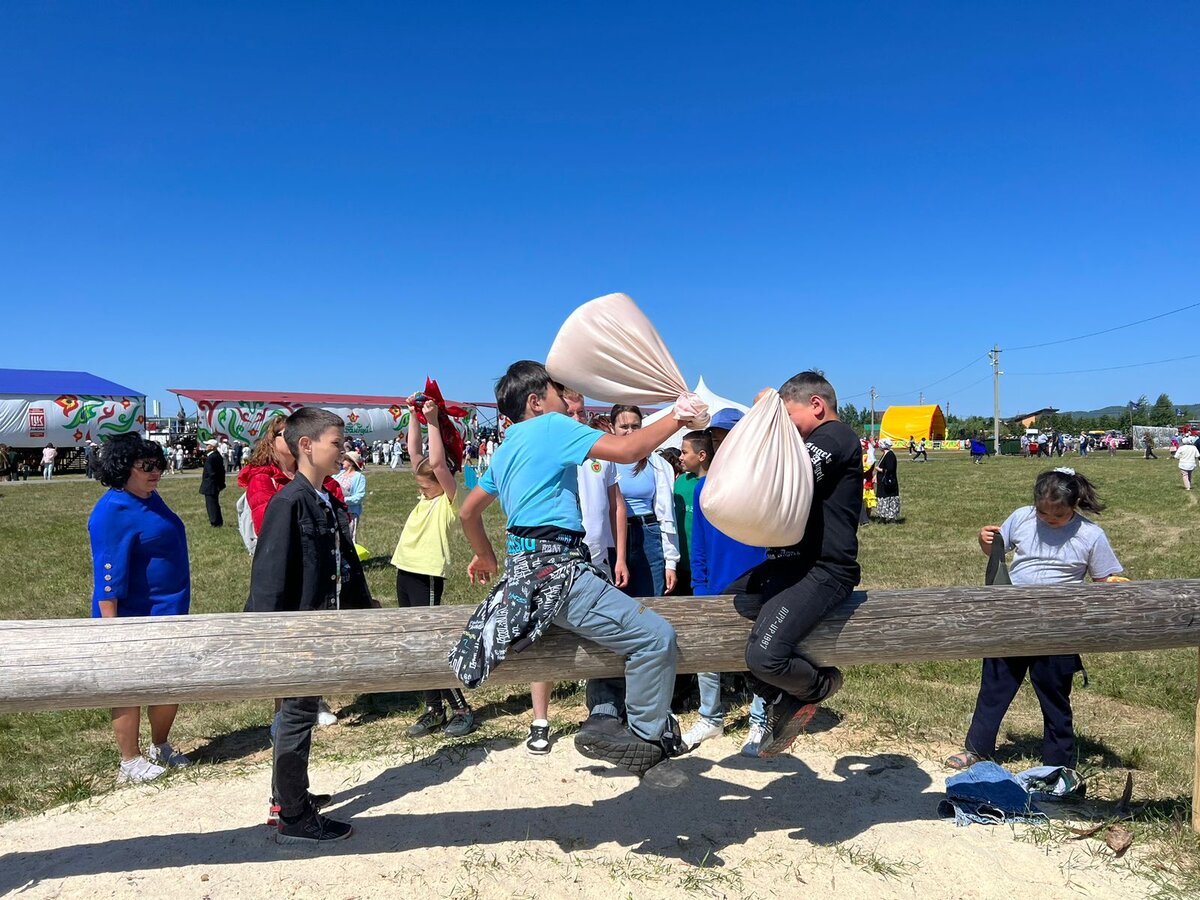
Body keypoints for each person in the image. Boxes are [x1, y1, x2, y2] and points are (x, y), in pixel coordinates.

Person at [451, 360, 702, 777]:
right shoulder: (550, 427)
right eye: (557, 394)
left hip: (525, 575)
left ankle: (606, 717)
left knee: (616, 632)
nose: (567, 404)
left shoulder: (509, 444)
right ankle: (645, 736)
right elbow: (627, 450)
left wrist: (485, 555)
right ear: (536, 402)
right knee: (656, 637)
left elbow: (467, 512)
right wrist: (678, 415)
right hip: (560, 573)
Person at [248, 407, 377, 845]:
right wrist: (266, 640)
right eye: (337, 444)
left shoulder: (323, 497)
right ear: (307, 445)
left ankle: (291, 795)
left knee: (298, 716)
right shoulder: (289, 502)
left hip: (320, 629)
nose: (345, 451)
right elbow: (268, 579)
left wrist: (364, 611)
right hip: (297, 635)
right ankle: (293, 815)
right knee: (297, 717)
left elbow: (343, 566)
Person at [948, 469, 1125, 770]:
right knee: (994, 687)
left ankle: (1058, 762)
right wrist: (985, 540)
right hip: (1013, 618)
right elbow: (996, 552)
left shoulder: (1091, 534)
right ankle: (977, 748)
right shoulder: (1022, 517)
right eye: (1042, 512)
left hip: (1059, 625)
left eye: (1057, 515)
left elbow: (1102, 577)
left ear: (1074, 504)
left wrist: (1113, 584)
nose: (1047, 519)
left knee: (1054, 694)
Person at [724, 371, 861, 757]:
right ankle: (781, 694)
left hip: (823, 569)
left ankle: (817, 687)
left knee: (765, 655)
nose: (785, 427)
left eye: (788, 416)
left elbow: (787, 478)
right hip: (786, 566)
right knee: (723, 608)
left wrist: (765, 421)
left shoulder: (835, 437)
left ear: (816, 405)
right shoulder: (807, 441)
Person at [523, 389, 629, 756]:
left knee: (603, 634)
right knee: (544, 635)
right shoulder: (548, 446)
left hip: (598, 557)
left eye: (582, 411)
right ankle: (540, 720)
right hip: (555, 558)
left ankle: (602, 712)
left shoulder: (599, 449)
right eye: (571, 410)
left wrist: (619, 556)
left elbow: (617, 506)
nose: (578, 416)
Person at [88, 433, 191, 784]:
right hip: (131, 616)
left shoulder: (149, 496)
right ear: (123, 467)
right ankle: (129, 762)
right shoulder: (113, 509)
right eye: (146, 466)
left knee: (169, 684)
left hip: (169, 610)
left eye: (159, 465)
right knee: (129, 688)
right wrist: (112, 629)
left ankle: (159, 746)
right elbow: (107, 572)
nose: (156, 472)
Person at [239, 416, 345, 732]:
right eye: (283, 434)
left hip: (319, 569)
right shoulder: (266, 481)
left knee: (317, 638)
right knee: (287, 642)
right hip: (285, 563)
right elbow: (266, 528)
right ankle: (282, 709)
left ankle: (314, 699)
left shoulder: (323, 483)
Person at [583, 404, 681, 731]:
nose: (629, 431)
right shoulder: (602, 459)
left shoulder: (656, 463)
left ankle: (655, 703)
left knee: (651, 611)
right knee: (612, 619)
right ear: (612, 428)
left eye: (635, 426)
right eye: (623, 426)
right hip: (614, 540)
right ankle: (609, 702)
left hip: (649, 534)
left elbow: (666, 514)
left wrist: (670, 559)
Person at [681, 424, 770, 754]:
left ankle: (760, 719)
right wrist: (700, 585)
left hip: (756, 579)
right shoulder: (702, 488)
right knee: (708, 651)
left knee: (758, 650)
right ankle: (710, 717)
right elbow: (699, 544)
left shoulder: (758, 485)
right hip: (715, 584)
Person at [395, 397, 477, 739]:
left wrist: (432, 419)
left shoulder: (447, 498)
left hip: (427, 572)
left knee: (432, 641)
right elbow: (416, 452)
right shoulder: (427, 493)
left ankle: (460, 707)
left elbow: (439, 464)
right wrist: (413, 416)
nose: (421, 488)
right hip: (405, 569)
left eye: (424, 484)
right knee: (417, 641)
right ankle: (433, 707)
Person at [334, 451, 366, 542]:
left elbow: (360, 496)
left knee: (349, 538)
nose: (342, 461)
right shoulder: (338, 474)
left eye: (345, 460)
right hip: (336, 510)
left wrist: (343, 500)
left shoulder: (359, 477)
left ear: (351, 462)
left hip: (350, 512)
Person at [199, 439, 226, 526]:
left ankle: (214, 521)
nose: (206, 446)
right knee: (214, 503)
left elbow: (211, 472)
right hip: (216, 484)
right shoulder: (217, 455)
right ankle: (218, 520)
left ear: (212, 447)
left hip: (211, 484)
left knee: (211, 504)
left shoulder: (211, 458)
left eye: (208, 445)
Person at [875, 438, 901, 522]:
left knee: (889, 498)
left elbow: (890, 469)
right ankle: (883, 516)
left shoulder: (890, 455)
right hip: (883, 482)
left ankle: (891, 517)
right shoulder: (885, 454)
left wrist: (880, 469)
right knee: (883, 497)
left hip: (888, 482)